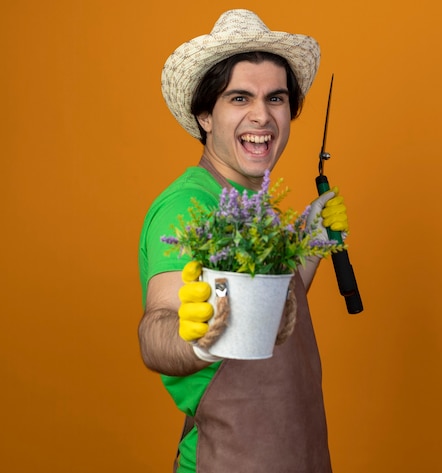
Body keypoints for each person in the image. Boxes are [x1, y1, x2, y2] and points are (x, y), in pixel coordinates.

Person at [137, 9, 349, 473]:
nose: (263, 115)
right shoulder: (188, 207)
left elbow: (267, 323)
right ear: (205, 115)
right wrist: (193, 335)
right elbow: (157, 331)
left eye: (276, 98)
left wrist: (309, 241)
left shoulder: (256, 210)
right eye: (239, 97)